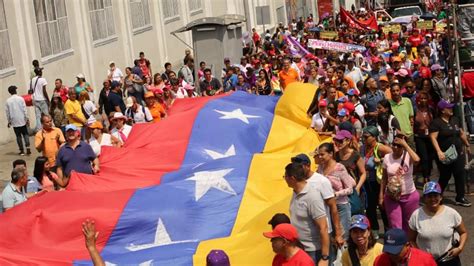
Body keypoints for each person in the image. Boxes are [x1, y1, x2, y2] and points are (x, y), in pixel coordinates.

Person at [292, 153, 345, 249]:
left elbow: (333, 207)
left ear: (307, 165)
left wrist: (338, 234)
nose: (296, 170)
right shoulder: (297, 182)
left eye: (299, 166)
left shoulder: (321, 181)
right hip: (303, 239)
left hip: (321, 235)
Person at [408, 182, 468, 265]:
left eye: (435, 195)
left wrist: (460, 248)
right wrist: (420, 255)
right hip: (426, 261)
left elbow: (463, 232)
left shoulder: (452, 213)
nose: (433, 199)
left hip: (449, 259)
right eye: (429, 196)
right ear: (424, 198)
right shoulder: (416, 215)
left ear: (440, 197)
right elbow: (411, 240)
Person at [284, 163, 330, 264]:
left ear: (292, 178)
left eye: (285, 176)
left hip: (312, 251)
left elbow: (323, 227)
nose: (284, 179)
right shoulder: (296, 192)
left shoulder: (312, 197)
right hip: (299, 247)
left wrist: (325, 257)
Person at [429, 99, 471, 207]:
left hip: (458, 152)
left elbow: (461, 133)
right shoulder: (436, 122)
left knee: (460, 173)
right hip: (445, 154)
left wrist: (466, 144)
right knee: (445, 176)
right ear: (443, 110)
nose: (451, 109)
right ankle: (437, 195)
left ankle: (460, 197)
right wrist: (439, 152)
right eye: (449, 107)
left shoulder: (455, 119)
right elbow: (433, 138)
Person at [379, 134, 420, 232]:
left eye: (399, 145)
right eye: (394, 144)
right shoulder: (387, 157)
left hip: (409, 195)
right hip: (391, 196)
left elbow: (417, 160)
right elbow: (384, 178)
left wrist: (405, 145)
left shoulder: (408, 156)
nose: (395, 147)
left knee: (409, 225)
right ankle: (398, 246)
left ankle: (408, 246)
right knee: (395, 226)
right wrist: (381, 196)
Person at [317, 143, 356, 240]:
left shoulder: (339, 168)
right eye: (319, 155)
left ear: (330, 154)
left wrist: (335, 194)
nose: (320, 157)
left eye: (322, 154)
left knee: (343, 237)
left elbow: (350, 189)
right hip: (326, 207)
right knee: (332, 237)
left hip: (341, 207)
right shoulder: (320, 168)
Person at [361, 126, 392, 238]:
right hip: (367, 183)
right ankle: (374, 230)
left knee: (382, 206)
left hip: (379, 183)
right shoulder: (363, 148)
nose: (363, 139)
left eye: (366, 137)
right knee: (370, 207)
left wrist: (381, 160)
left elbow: (394, 155)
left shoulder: (380, 148)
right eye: (363, 136)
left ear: (374, 137)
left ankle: (388, 229)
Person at [334, 130, 367, 212]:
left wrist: (358, 187)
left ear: (348, 141)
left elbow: (363, 173)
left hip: (353, 190)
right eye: (336, 141)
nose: (338, 143)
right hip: (341, 191)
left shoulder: (355, 155)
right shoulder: (336, 155)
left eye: (340, 141)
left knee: (356, 214)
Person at [414, 91, 435, 184]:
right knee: (424, 157)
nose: (423, 100)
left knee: (430, 157)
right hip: (419, 136)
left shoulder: (431, 109)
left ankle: (428, 174)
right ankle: (425, 177)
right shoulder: (415, 110)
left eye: (425, 98)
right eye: (421, 98)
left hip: (430, 136)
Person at [5, 85, 30, 156]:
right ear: (15, 91)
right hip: (22, 119)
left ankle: (22, 150)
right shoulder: (20, 99)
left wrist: (9, 121)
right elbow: (24, 109)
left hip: (14, 121)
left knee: (18, 136)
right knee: (25, 134)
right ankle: (28, 147)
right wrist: (27, 118)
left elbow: (7, 112)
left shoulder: (8, 101)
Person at [389, 84, 415, 149]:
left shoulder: (407, 101)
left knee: (412, 155)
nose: (396, 93)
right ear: (390, 92)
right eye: (393, 91)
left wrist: (411, 132)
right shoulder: (388, 103)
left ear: (400, 91)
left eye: (397, 90)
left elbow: (411, 118)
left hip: (408, 135)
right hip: (396, 136)